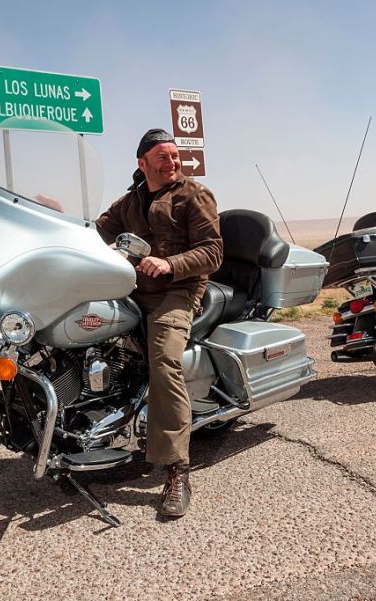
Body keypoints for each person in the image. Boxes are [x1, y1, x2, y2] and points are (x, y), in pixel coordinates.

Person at [95, 128, 223, 518]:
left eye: (174, 155)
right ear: (143, 163)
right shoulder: (129, 202)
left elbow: (212, 251)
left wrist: (170, 264)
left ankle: (176, 470)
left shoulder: (193, 194)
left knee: (163, 362)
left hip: (178, 291)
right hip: (132, 287)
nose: (172, 161)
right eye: (163, 156)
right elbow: (98, 231)